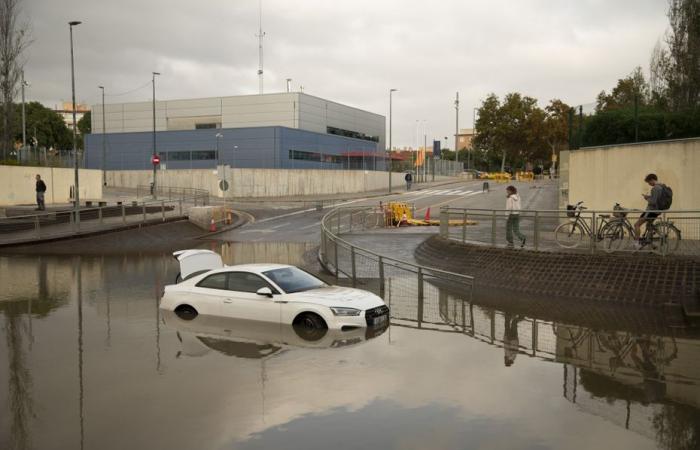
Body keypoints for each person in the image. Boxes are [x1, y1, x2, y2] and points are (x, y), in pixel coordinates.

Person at [634, 173, 669, 245]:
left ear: (652, 180)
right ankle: (651, 245)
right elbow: (656, 199)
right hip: (657, 211)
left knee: (637, 225)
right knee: (649, 226)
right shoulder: (661, 186)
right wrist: (650, 197)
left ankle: (636, 244)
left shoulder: (655, 188)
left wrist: (647, 198)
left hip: (651, 211)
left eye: (649, 182)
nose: (649, 184)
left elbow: (653, 202)